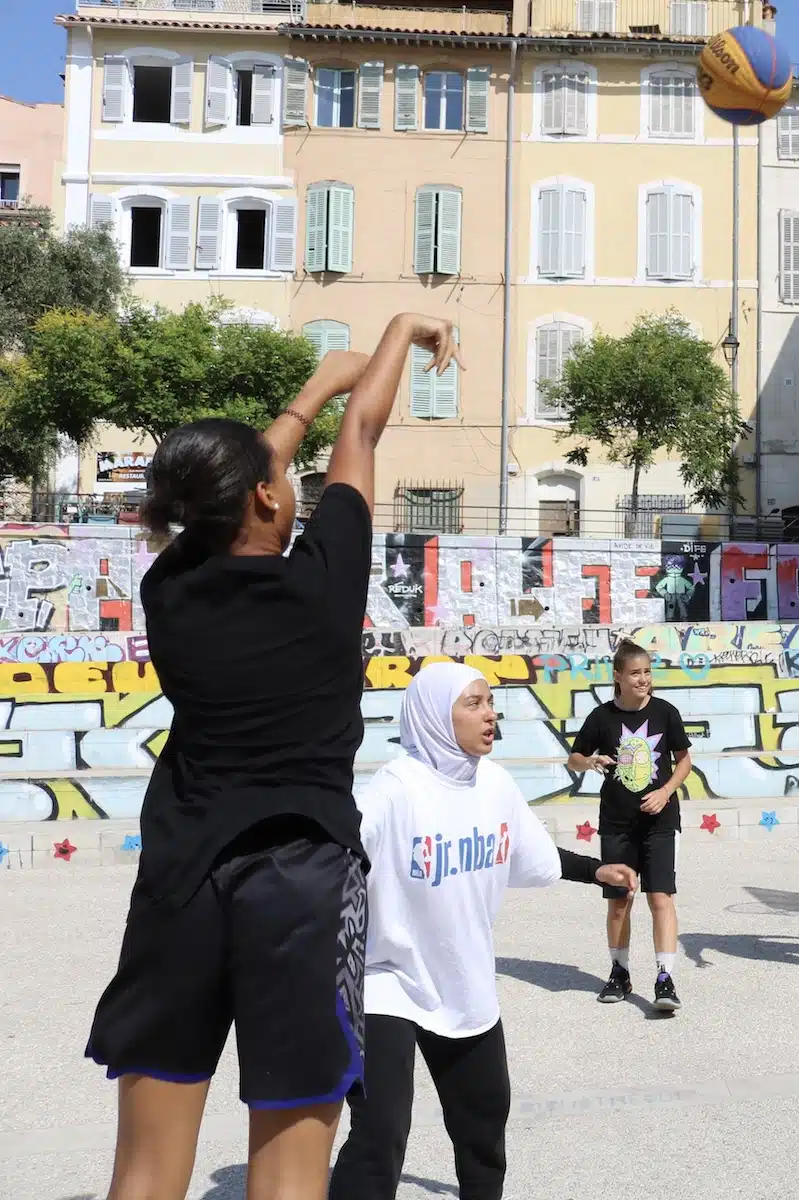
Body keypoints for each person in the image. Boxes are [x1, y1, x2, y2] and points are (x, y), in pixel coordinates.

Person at [83, 312, 459, 1200]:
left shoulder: (168, 587)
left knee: (141, 1174)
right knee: (291, 1176)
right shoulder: (324, 581)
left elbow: (228, 489)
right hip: (301, 879)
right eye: (278, 479)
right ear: (263, 500)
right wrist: (396, 335)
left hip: (180, 881)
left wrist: (311, 391)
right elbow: (360, 435)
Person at [330, 663, 636, 1200]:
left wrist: (595, 871)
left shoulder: (494, 782)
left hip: (463, 976)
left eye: (490, 702)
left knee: (484, 1124)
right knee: (382, 1132)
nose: (490, 714)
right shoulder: (393, 791)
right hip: (386, 979)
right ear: (433, 714)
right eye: (473, 703)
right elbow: (334, 856)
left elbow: (532, 854)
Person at [568, 640, 694, 1013]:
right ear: (618, 677)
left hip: (659, 820)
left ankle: (665, 977)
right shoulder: (601, 717)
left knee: (660, 897)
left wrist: (667, 791)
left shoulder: (665, 713)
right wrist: (589, 760)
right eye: (636, 673)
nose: (643, 680)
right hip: (617, 822)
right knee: (620, 901)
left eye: (647, 672)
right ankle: (619, 972)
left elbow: (684, 760)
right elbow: (574, 758)